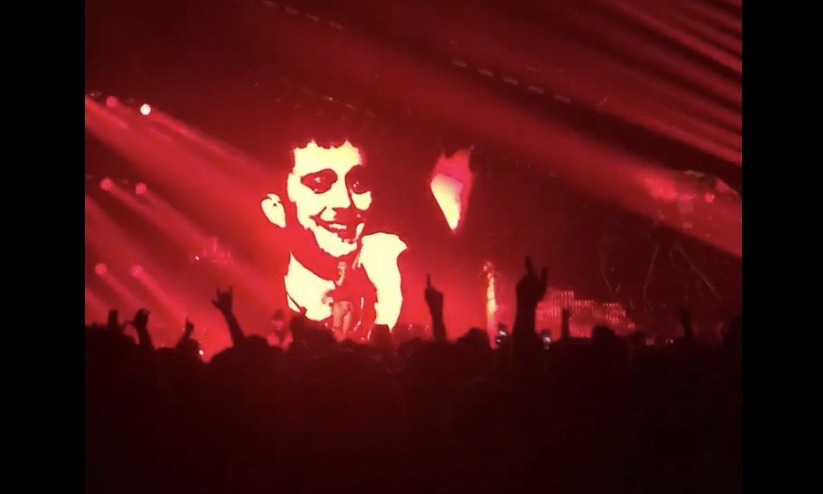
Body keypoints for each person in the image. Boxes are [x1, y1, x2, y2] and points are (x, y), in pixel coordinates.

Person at [260, 133, 407, 332]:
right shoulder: (260, 301)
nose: (345, 202)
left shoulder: (385, 282)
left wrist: (389, 299)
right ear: (274, 209)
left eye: (358, 184)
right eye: (319, 183)